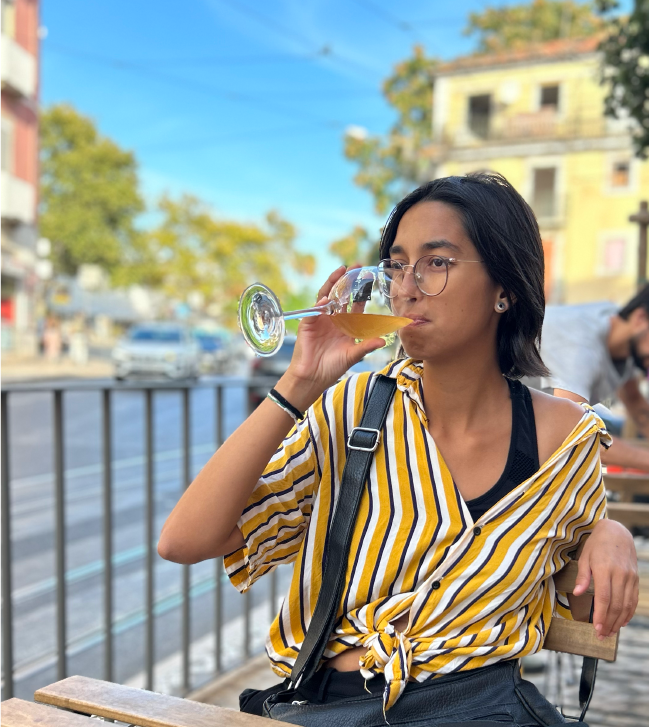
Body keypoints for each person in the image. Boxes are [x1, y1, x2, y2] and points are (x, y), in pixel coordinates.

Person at [159, 173, 638, 726]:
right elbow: (184, 540)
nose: (406, 286)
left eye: (437, 262)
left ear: (504, 288)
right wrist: (297, 385)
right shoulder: (356, 410)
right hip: (334, 707)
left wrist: (610, 533)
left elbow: (589, 610)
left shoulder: (564, 439)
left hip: (479, 708)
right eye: (396, 264)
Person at [523, 289, 649, 472]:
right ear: (640, 318)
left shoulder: (618, 331)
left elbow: (635, 401)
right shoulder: (579, 347)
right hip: (497, 435)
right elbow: (576, 436)